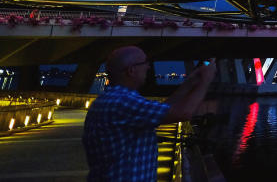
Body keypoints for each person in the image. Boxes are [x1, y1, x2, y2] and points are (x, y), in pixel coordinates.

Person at [83, 46, 216, 182]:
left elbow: (163, 109)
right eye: (145, 63)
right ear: (131, 70)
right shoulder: (123, 101)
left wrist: (189, 83)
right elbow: (184, 113)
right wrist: (206, 81)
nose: (148, 67)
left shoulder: (112, 98)